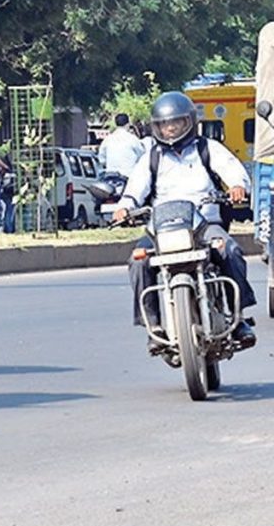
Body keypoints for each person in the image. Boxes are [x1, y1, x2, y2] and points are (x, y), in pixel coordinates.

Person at [113, 91, 256, 349]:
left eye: (176, 123)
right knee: (138, 260)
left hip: (205, 225)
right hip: (162, 228)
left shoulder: (208, 149)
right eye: (164, 124)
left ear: (189, 122)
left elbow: (235, 172)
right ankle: (153, 325)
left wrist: (236, 186)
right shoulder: (151, 158)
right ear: (156, 127)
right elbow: (134, 191)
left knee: (230, 251)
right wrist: (124, 207)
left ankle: (239, 318)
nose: (170, 129)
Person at [97, 112, 144, 178]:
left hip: (110, 176)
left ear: (116, 124)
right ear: (128, 124)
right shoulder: (132, 139)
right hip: (128, 177)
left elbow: (101, 158)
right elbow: (142, 155)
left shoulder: (108, 139)